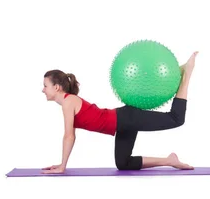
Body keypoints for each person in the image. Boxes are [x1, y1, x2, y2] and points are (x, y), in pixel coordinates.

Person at [40, 51, 199, 174]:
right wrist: (62, 165)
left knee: (176, 119)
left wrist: (62, 166)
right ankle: (170, 160)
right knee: (123, 163)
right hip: (121, 124)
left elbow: (69, 136)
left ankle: (187, 74)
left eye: (45, 86)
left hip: (127, 118)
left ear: (56, 87)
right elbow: (70, 135)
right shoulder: (69, 102)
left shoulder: (68, 101)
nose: (43, 90)